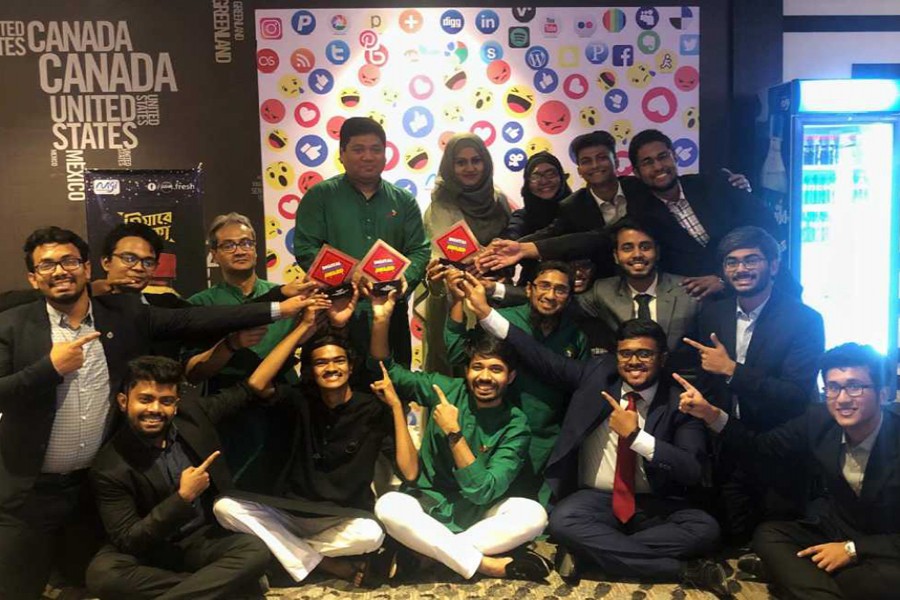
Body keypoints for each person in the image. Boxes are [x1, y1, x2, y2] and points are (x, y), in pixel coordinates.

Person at [0, 226, 314, 598]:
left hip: (91, 486)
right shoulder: (13, 324)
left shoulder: (125, 315)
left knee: (85, 581)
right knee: (18, 588)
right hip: (29, 491)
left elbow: (201, 319)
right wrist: (49, 369)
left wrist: (279, 306)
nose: (60, 271)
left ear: (86, 267)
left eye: (69, 261)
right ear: (33, 277)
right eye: (47, 264)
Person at [464, 279, 726, 594]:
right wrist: (486, 314)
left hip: (655, 505)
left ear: (662, 358)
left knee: (705, 530)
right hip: (595, 501)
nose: (634, 361)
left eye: (644, 354)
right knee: (563, 522)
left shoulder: (680, 400)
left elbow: (692, 469)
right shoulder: (596, 375)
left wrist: (638, 438)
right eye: (626, 354)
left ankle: (591, 552)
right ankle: (680, 569)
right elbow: (538, 355)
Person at [212, 304, 419, 586]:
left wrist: (395, 407)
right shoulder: (298, 400)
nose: (331, 368)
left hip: (341, 517)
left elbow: (410, 472)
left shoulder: (372, 409)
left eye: (339, 361)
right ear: (311, 369)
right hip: (289, 512)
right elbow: (257, 384)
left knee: (371, 535)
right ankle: (327, 564)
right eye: (322, 363)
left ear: (350, 366)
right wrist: (301, 330)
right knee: (225, 507)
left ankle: (282, 556)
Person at [678, 343, 900, 600]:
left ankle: (801, 578)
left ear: (883, 393)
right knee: (770, 535)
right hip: (841, 527)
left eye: (855, 387)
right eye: (833, 387)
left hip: (889, 544)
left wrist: (853, 549)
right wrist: (711, 414)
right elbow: (762, 447)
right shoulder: (818, 420)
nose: (842, 399)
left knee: (882, 580)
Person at [369, 288, 550, 582]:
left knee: (533, 514)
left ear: (510, 377)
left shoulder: (516, 425)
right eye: (477, 367)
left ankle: (429, 556)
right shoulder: (445, 389)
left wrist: (454, 433)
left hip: (478, 515)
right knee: (388, 506)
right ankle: (484, 565)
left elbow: (482, 491)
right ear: (467, 371)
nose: (485, 377)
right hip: (428, 507)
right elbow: (384, 370)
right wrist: (380, 319)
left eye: (496, 369)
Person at [84, 356, 270, 599]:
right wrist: (183, 498)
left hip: (200, 540)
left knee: (254, 550)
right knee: (103, 575)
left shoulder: (193, 419)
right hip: (150, 548)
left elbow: (245, 390)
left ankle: (215, 586)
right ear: (123, 401)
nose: (155, 409)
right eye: (145, 399)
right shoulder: (109, 465)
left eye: (166, 401)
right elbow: (129, 540)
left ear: (176, 405)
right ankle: (227, 586)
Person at [684, 226, 824, 542]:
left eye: (751, 260)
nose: (741, 269)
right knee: (731, 537)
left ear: (773, 265)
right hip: (726, 440)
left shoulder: (804, 319)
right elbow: (707, 377)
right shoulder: (713, 314)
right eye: (732, 262)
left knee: (777, 537)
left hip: (778, 445)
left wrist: (732, 370)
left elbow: (795, 394)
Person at [445, 263, 587, 506]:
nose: (550, 295)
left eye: (560, 290)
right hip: (498, 432)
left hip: (548, 440)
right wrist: (457, 301)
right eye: (544, 286)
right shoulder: (503, 320)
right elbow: (458, 354)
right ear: (529, 289)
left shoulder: (576, 336)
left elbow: (580, 391)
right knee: (486, 500)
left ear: (569, 297)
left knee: (536, 510)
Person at [293, 117, 430, 368]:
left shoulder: (403, 201)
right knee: (332, 386)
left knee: (391, 382)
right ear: (342, 154)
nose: (368, 157)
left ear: (385, 154)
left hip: (390, 311)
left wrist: (404, 278)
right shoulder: (319, 197)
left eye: (376, 149)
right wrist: (350, 273)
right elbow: (305, 249)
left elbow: (419, 249)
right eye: (358, 149)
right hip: (334, 312)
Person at [628, 128, 798, 299]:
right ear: (636, 173)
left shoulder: (715, 185)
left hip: (762, 285)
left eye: (663, 157)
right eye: (647, 162)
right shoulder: (644, 217)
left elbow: (766, 224)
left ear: (675, 157)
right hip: (702, 300)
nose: (658, 167)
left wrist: (723, 278)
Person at [477, 130, 641, 281]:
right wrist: (505, 247)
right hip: (581, 286)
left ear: (616, 162)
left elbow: (596, 237)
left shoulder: (638, 189)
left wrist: (525, 248)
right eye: (586, 161)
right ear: (579, 170)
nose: (595, 165)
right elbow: (550, 232)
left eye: (602, 158)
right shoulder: (573, 205)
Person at [421, 132, 511, 375]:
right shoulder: (440, 205)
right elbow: (433, 255)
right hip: (453, 297)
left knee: (492, 364)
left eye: (476, 160)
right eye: (461, 162)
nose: (470, 168)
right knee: (452, 362)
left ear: (486, 162)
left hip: (494, 296)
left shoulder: (498, 200)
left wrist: (496, 265)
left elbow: (511, 242)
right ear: (449, 167)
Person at [577, 218, 700, 371]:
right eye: (627, 248)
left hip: (679, 378)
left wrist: (721, 282)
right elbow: (562, 304)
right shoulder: (602, 291)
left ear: (657, 252)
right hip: (627, 376)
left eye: (645, 247)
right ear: (616, 256)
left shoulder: (688, 290)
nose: (637, 254)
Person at [502, 151, 572, 284]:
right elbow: (512, 234)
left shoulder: (578, 210)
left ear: (561, 177)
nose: (544, 181)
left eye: (551, 174)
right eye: (536, 176)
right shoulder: (522, 217)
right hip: (532, 286)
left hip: (578, 284)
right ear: (527, 182)